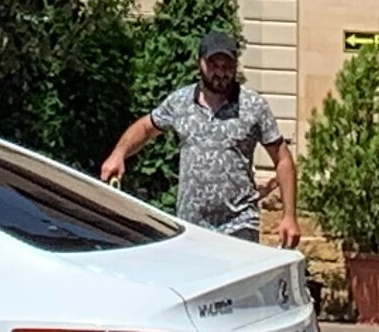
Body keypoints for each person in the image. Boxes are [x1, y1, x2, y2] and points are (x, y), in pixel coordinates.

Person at [99, 34, 296, 245]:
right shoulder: (180, 102)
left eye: (227, 65)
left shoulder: (253, 106)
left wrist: (289, 216)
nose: (220, 72)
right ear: (199, 63)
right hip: (191, 228)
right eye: (213, 65)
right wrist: (119, 154)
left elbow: (282, 159)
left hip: (239, 224)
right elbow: (146, 127)